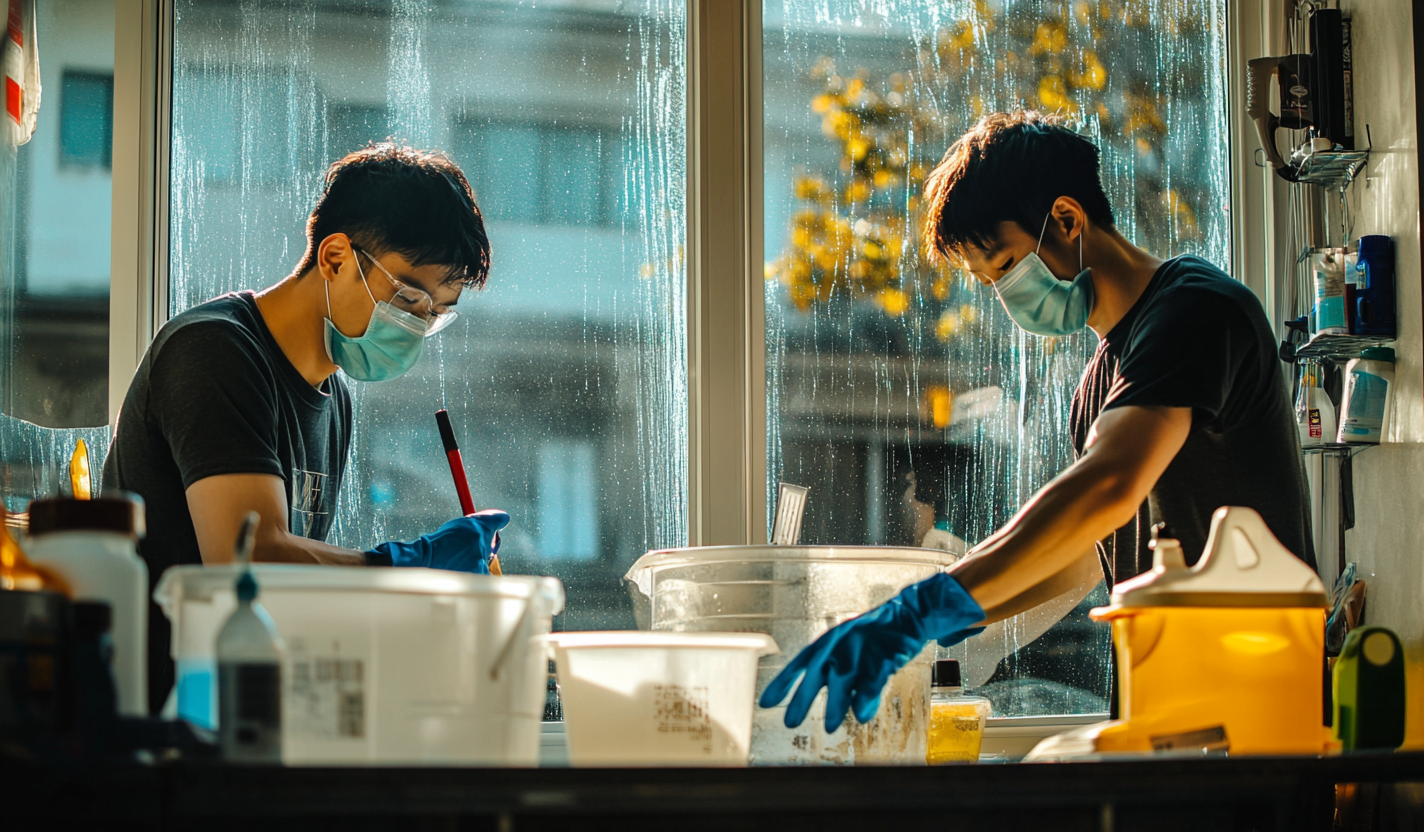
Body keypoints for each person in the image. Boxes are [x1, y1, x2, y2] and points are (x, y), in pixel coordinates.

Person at [762, 110, 1314, 731]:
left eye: (1004, 267)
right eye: (987, 281)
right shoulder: (1101, 381)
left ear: (1068, 219)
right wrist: (948, 628)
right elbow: (1085, 554)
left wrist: (917, 612)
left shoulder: (1194, 311)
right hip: (1167, 712)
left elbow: (1108, 486)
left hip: (1257, 712)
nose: (1004, 295)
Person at [104, 144, 509, 715]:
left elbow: (294, 596)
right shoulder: (215, 350)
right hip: (161, 739)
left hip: (248, 724)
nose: (417, 326)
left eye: (436, 312)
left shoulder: (333, 398)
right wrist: (407, 567)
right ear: (337, 258)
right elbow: (249, 558)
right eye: (409, 296)